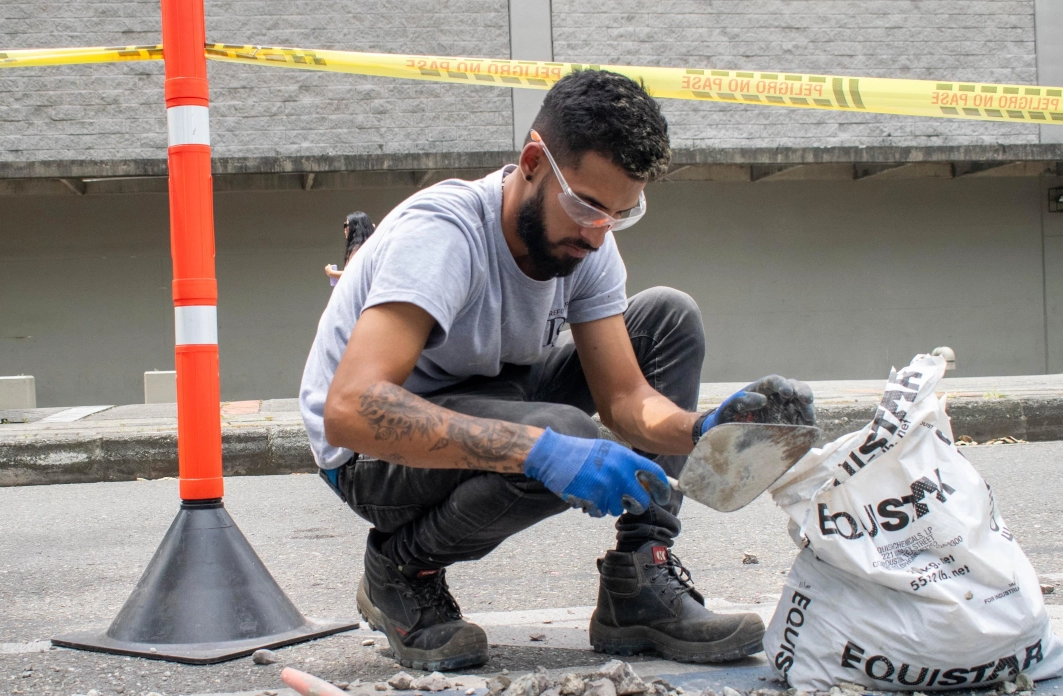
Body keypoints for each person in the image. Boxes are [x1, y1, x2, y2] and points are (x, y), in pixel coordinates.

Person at [299, 71, 815, 671]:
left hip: (494, 393)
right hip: (367, 458)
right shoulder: (442, 234)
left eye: (619, 215)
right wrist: (541, 450)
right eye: (587, 206)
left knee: (667, 317)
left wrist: (700, 430)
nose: (597, 234)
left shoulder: (588, 240)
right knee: (562, 432)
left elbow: (625, 400)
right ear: (532, 162)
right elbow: (350, 412)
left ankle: (638, 578)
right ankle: (400, 568)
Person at [324, 211, 375, 284]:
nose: (345, 228)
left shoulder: (357, 248)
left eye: (346, 225)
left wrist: (331, 272)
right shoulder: (370, 245)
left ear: (355, 228)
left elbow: (352, 275)